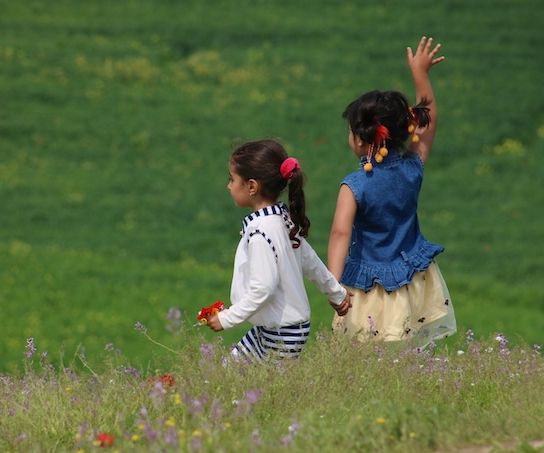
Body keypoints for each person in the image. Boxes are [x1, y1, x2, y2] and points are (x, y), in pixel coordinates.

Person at [327, 37, 456, 346]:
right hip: (413, 284)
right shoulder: (413, 167)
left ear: (361, 139)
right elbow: (429, 120)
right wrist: (420, 73)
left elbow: (340, 234)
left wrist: (332, 285)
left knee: (366, 359)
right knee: (409, 352)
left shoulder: (354, 185)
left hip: (371, 292)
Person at [206, 139, 352, 362]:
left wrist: (227, 318)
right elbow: (311, 261)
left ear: (252, 187)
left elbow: (262, 288)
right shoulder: (281, 221)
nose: (228, 186)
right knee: (228, 372)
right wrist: (336, 293)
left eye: (232, 179)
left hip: (282, 332)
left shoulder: (261, 233)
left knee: (266, 391)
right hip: (275, 328)